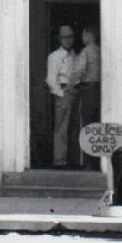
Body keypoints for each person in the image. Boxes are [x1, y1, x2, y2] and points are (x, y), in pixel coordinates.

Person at [46, 24, 82, 168]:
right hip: (63, 91)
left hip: (76, 91)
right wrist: (62, 94)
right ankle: (59, 160)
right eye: (64, 38)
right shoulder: (55, 56)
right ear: (59, 39)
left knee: (75, 126)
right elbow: (50, 79)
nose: (68, 40)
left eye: (70, 37)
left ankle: (74, 160)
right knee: (62, 127)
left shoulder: (75, 55)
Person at [76, 22, 102, 165]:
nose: (82, 37)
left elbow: (79, 71)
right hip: (100, 90)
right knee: (98, 126)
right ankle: (98, 162)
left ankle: (87, 163)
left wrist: (70, 86)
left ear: (88, 35)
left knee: (87, 127)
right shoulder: (100, 50)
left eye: (83, 34)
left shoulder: (86, 52)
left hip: (88, 90)